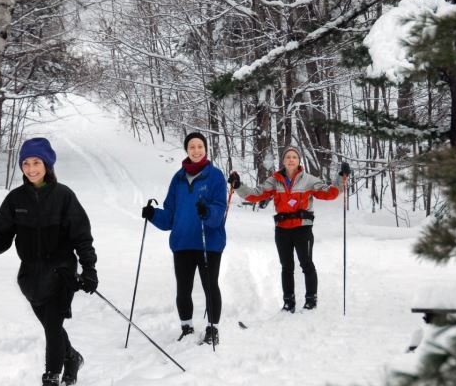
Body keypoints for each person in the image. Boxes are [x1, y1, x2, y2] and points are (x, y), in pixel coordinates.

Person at [0, 137, 98, 386]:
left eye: (37, 163)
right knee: (53, 327)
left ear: (47, 165)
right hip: (30, 276)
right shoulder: (16, 200)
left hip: (61, 272)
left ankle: (50, 384)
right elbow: (0, 238)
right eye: (26, 163)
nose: (31, 168)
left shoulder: (64, 197)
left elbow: (81, 237)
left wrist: (89, 269)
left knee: (51, 325)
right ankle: (72, 358)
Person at [229, 145, 349, 312]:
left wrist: (341, 177)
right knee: (286, 267)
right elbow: (256, 194)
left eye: (294, 157)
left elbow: (329, 193)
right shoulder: (274, 180)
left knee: (306, 264)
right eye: (288, 157)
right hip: (282, 230)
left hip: (302, 229)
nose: (291, 160)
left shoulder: (309, 180)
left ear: (299, 160)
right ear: (283, 161)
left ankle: (311, 300)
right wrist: (238, 185)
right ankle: (288, 302)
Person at [142, 132, 227, 346]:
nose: (196, 150)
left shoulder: (215, 176)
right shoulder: (178, 179)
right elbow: (170, 215)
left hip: (209, 243)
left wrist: (207, 212)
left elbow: (219, 211)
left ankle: (212, 329)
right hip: (182, 242)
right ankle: (186, 327)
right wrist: (153, 215)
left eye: (200, 146)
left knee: (210, 286)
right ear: (187, 150)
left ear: (205, 149)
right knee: (183, 289)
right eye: (192, 147)